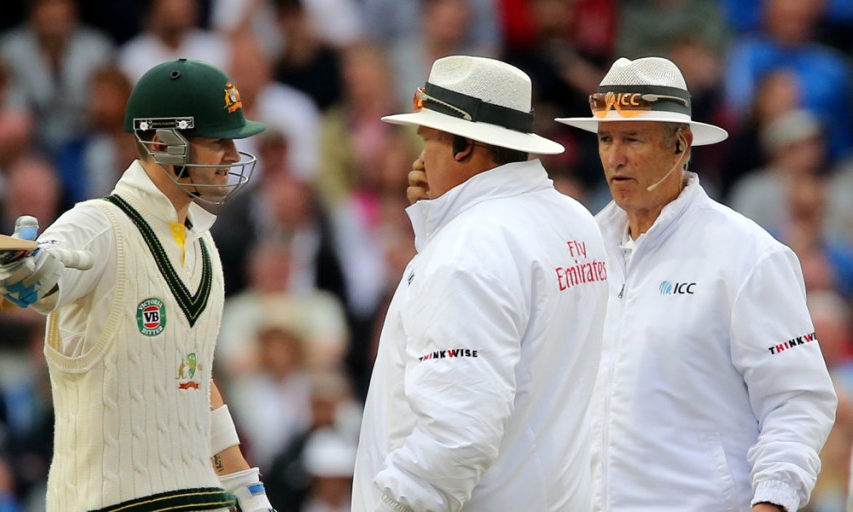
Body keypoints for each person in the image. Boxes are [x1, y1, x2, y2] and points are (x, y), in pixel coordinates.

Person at [0, 59, 276, 512]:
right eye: (218, 142)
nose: (233, 158)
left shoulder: (203, 246)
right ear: (163, 143)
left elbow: (192, 376)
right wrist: (20, 271)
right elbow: (8, 290)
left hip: (198, 500)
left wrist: (243, 484)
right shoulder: (99, 225)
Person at [555, 56, 838, 512]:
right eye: (605, 138)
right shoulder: (580, 252)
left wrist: (773, 501)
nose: (615, 156)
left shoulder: (748, 254)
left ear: (680, 145)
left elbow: (796, 400)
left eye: (632, 139)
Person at [352, 55, 610, 511]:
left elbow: (456, 436)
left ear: (462, 147)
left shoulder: (467, 251)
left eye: (428, 139)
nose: (418, 158)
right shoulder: (575, 219)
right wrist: (440, 220)